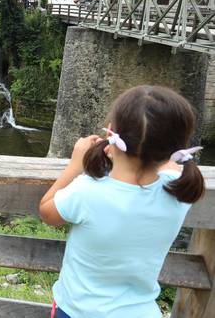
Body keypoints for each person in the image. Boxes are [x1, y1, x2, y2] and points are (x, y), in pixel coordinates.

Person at [39, 85, 205, 318]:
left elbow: (47, 211)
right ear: (175, 148)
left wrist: (75, 165)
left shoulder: (87, 191)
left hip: (79, 311)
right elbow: (166, 164)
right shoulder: (179, 190)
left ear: (111, 134)